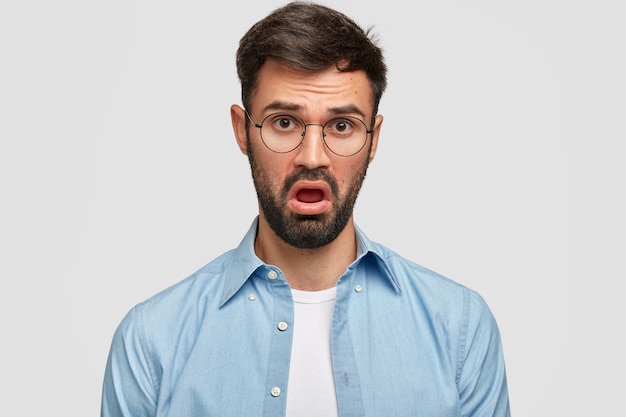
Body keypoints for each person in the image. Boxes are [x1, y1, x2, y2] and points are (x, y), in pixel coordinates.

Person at [100, 2, 511, 416]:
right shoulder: (151, 340)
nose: (312, 157)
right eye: (284, 122)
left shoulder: (460, 327)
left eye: (342, 126)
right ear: (242, 130)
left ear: (374, 139)